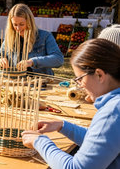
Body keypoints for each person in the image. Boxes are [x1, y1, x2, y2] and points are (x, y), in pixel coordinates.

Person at [22, 38, 120, 169]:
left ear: (99, 75)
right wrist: (62, 126)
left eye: (79, 79)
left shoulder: (113, 112)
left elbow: (76, 167)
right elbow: (100, 142)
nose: (79, 86)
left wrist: (39, 142)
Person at [0, 4, 64, 75]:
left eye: (21, 24)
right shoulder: (9, 37)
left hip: (40, 82)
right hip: (16, 81)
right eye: (15, 24)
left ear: (29, 22)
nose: (18, 28)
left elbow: (58, 59)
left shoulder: (45, 36)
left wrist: (32, 62)